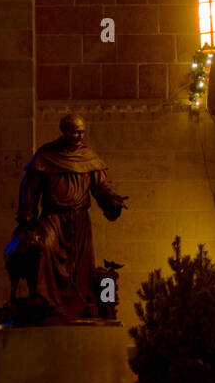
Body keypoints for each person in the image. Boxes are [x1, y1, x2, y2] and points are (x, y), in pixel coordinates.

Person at [7, 112, 127, 320]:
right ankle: (44, 300)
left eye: (82, 132)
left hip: (79, 221)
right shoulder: (46, 155)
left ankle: (82, 306)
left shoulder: (89, 156)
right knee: (44, 248)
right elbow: (30, 187)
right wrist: (27, 219)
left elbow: (100, 186)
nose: (79, 136)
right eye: (74, 132)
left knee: (80, 268)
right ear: (64, 132)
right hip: (53, 218)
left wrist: (112, 200)